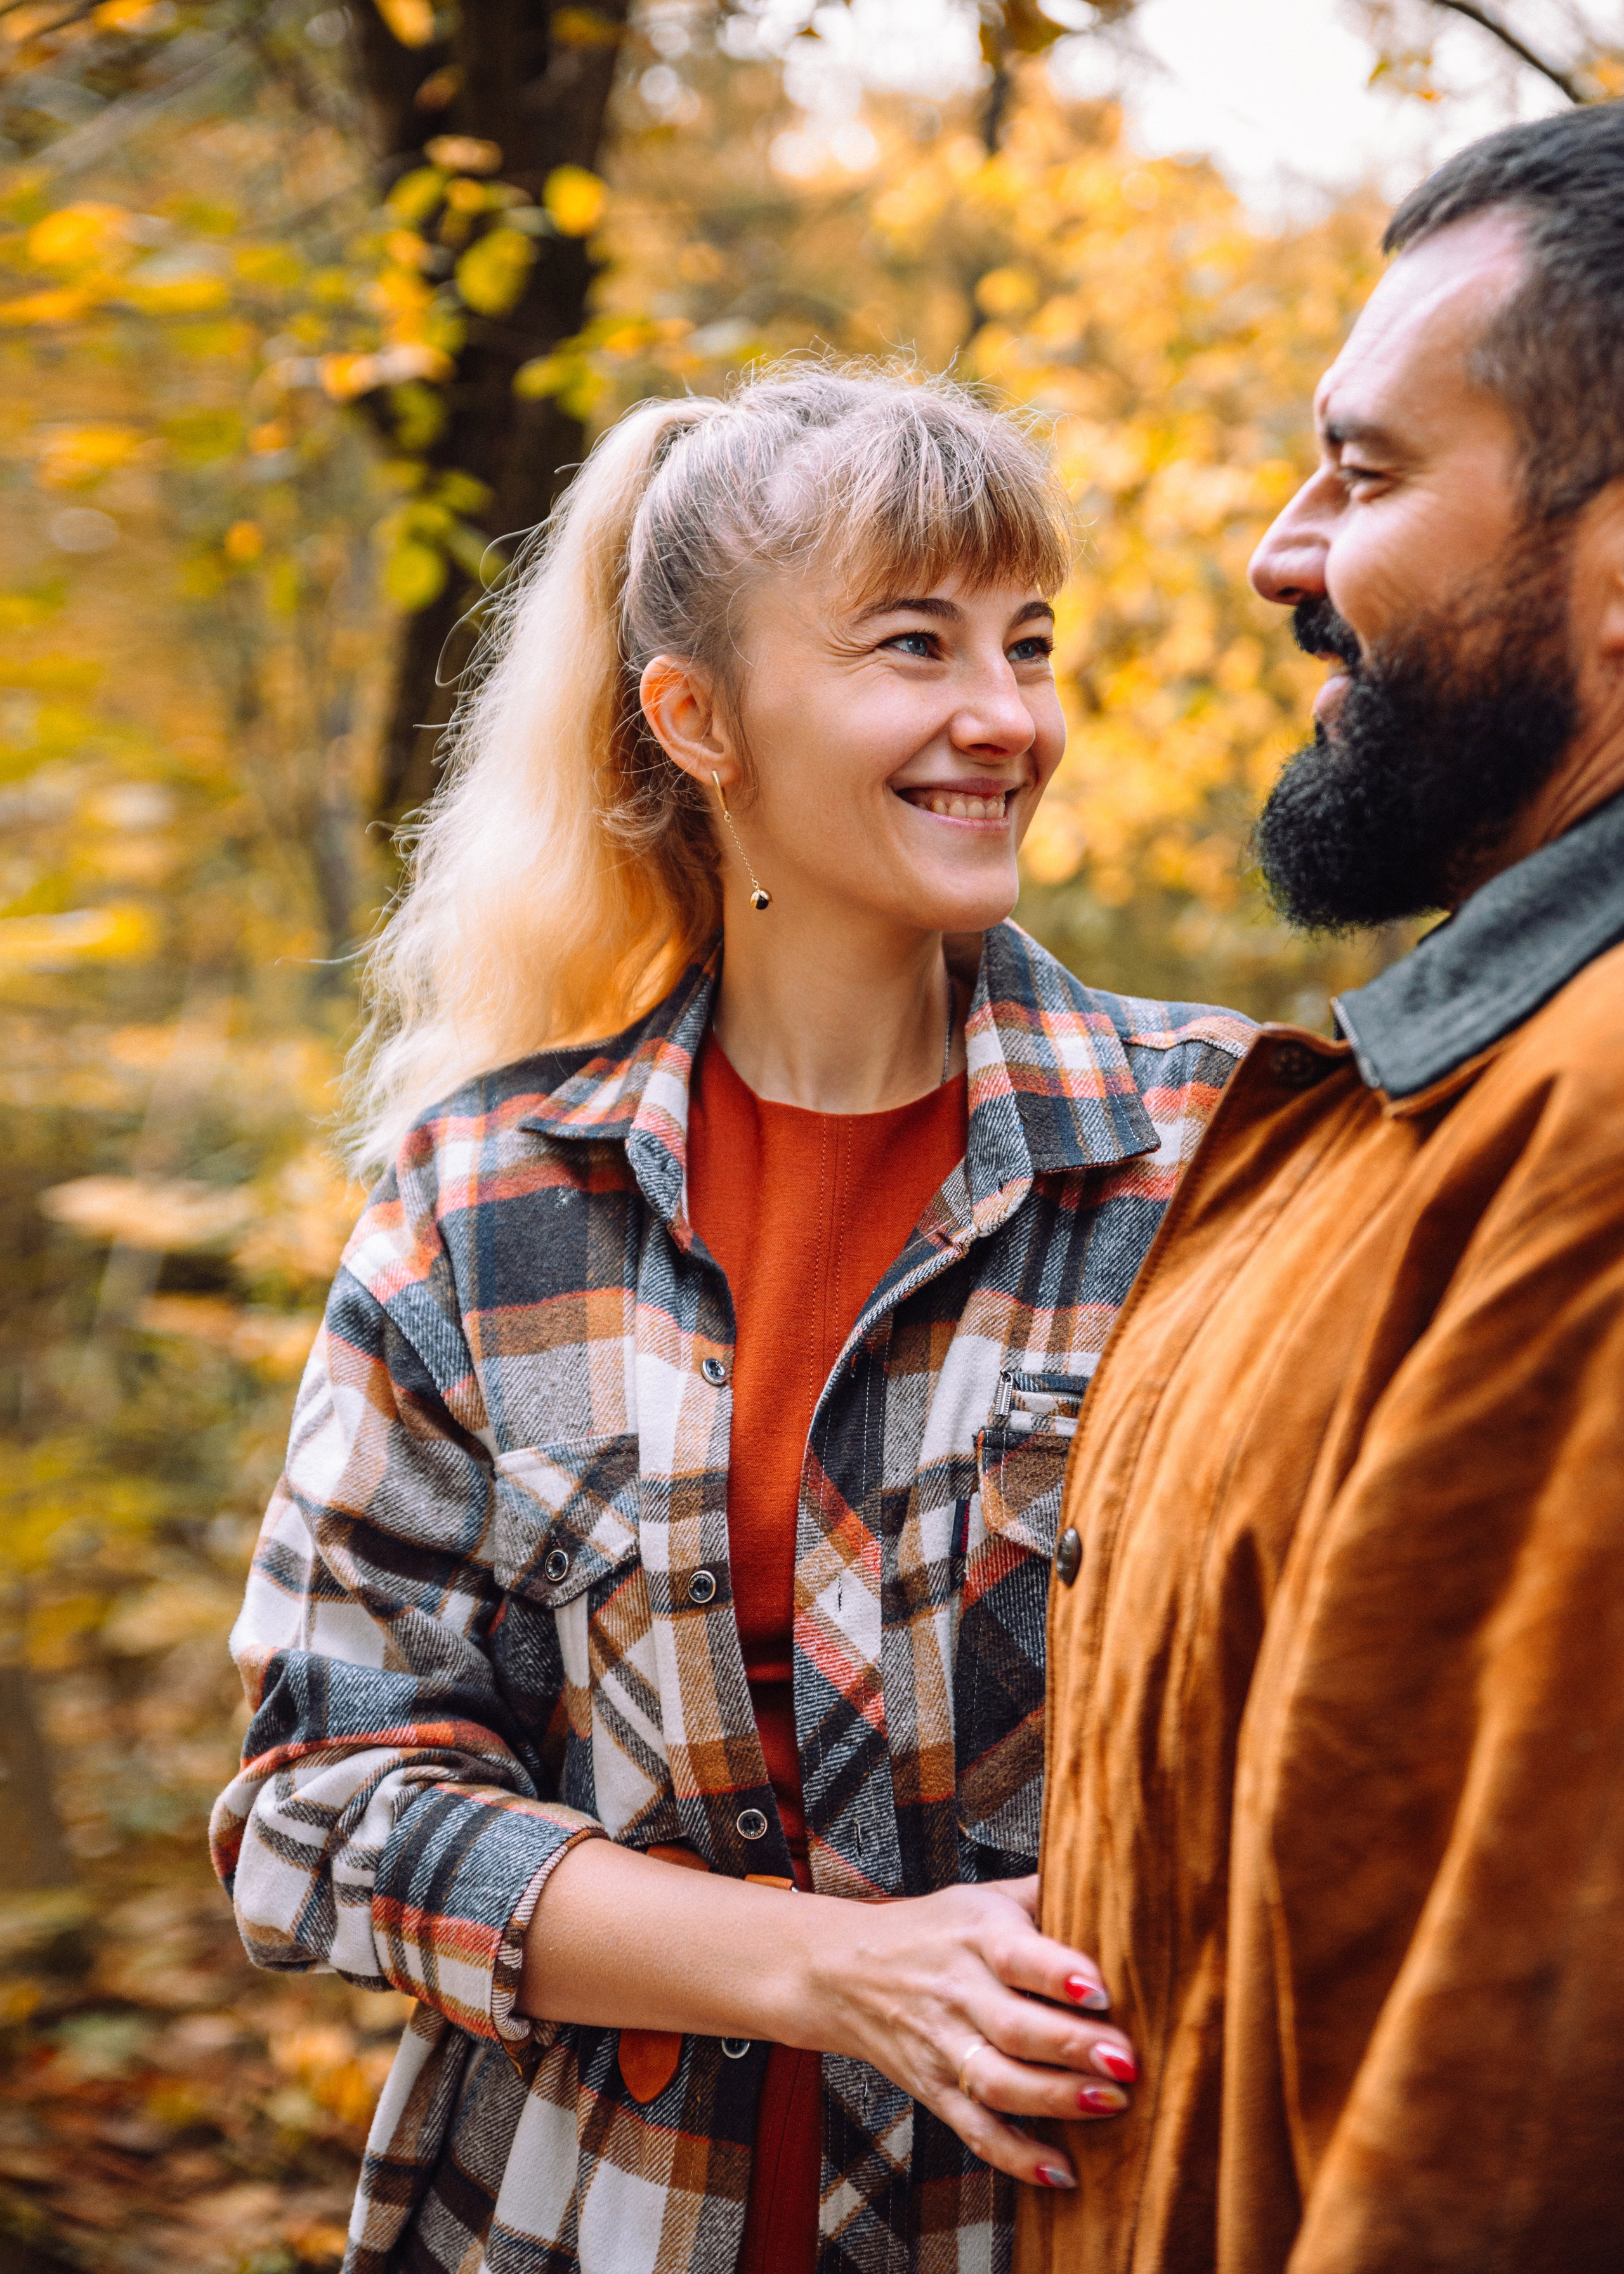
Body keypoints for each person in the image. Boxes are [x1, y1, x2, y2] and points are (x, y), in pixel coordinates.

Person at [209, 364, 1252, 2274]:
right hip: (575, 2222)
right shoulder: (485, 1199)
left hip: (1062, 2223)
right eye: (914, 644)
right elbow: (314, 1806)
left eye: (1028, 642)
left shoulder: (1221, 1155)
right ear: (697, 717)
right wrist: (828, 1969)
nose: (1005, 716)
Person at [1020, 101, 1624, 2274]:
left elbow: (1515, 2100)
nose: (1280, 555)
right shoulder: (1451, 1096)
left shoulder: (1597, 1147)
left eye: (1365, 475)